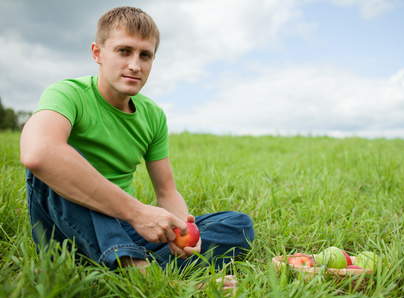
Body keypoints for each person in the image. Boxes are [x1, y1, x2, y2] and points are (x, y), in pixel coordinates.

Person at [20, 6, 254, 276]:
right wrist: (138, 213)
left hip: (125, 227)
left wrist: (180, 232)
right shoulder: (67, 94)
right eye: (123, 51)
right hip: (67, 227)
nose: (135, 65)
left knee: (238, 225)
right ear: (97, 53)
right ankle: (141, 273)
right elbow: (37, 153)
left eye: (145, 55)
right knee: (56, 159)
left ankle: (133, 266)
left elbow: (166, 191)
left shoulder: (152, 115)